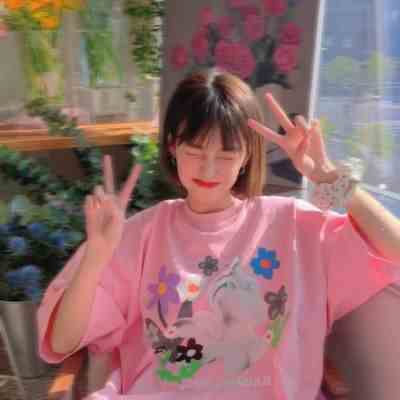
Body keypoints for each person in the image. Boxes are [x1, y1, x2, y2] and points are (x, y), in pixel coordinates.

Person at [37, 68, 400, 400]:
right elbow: (63, 341)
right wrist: (95, 259)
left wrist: (330, 179)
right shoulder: (138, 234)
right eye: (195, 149)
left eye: (226, 154)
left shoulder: (294, 225)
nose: (208, 168)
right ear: (172, 146)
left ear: (246, 157)